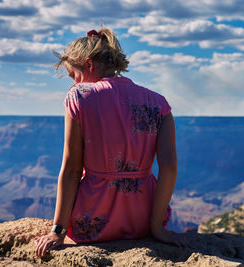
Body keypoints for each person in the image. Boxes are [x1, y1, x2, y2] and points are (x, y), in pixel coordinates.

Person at [35, 28, 187, 257]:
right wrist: (156, 227)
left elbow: (72, 170)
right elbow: (169, 168)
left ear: (89, 64)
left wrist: (58, 231)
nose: (73, 83)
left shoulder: (79, 97)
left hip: (93, 223)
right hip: (142, 221)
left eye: (72, 75)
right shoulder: (159, 103)